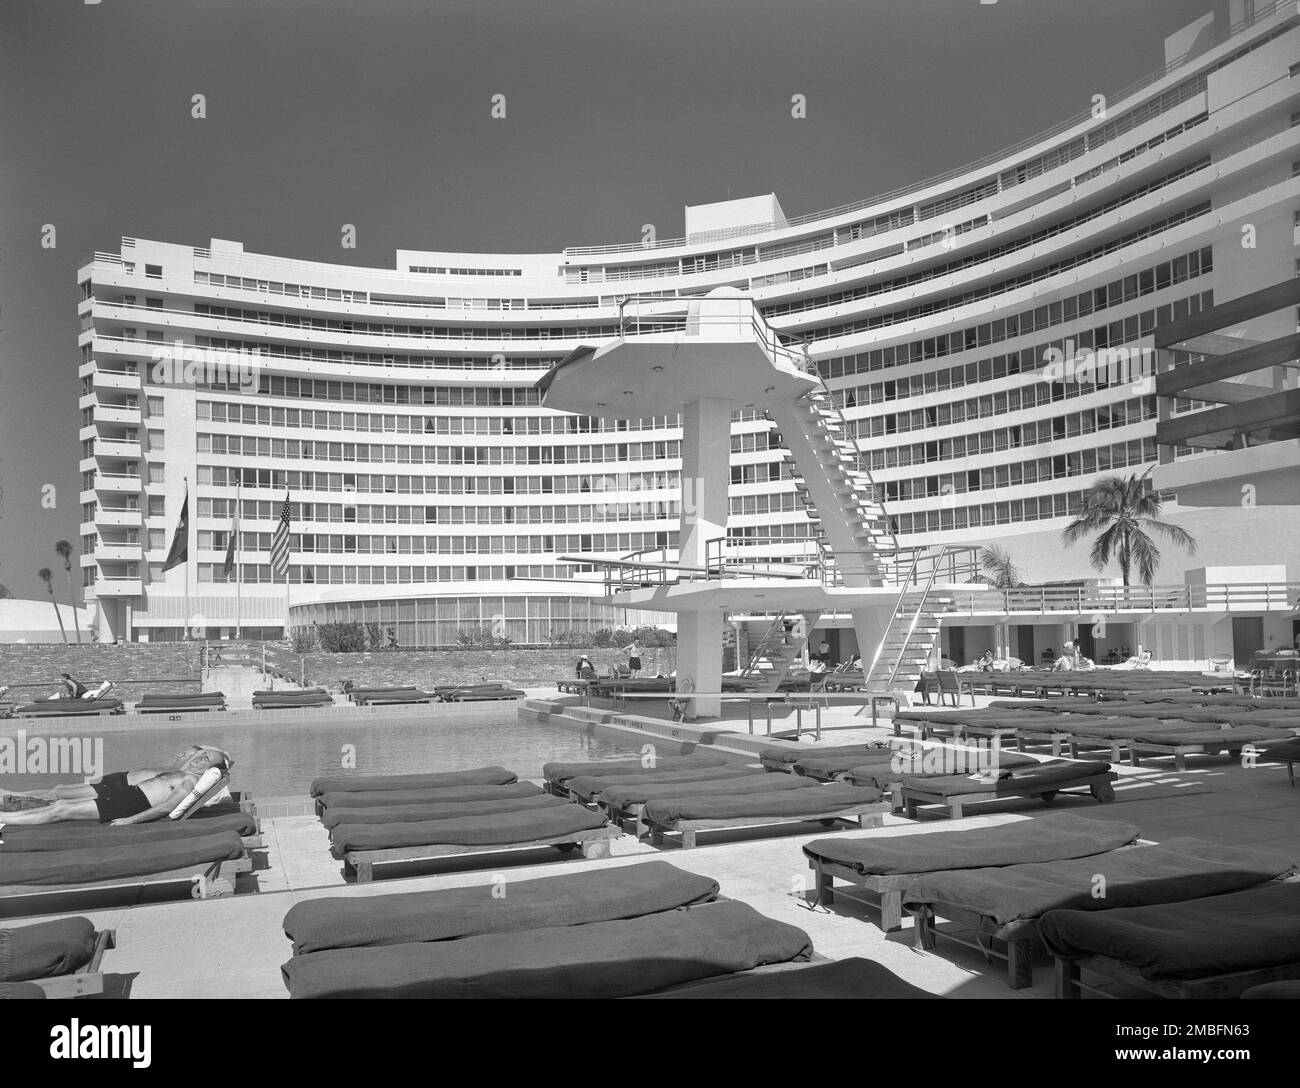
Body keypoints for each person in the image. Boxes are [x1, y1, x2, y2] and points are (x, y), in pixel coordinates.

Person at [0, 745, 233, 826]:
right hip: (128, 795)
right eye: (202, 755)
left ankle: (5, 818)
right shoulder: (182, 770)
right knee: (60, 802)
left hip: (130, 803)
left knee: (60, 810)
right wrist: (204, 754)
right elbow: (199, 751)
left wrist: (129, 821)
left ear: (209, 769)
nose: (201, 758)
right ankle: (6, 813)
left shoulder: (188, 780)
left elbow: (165, 808)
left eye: (207, 760)